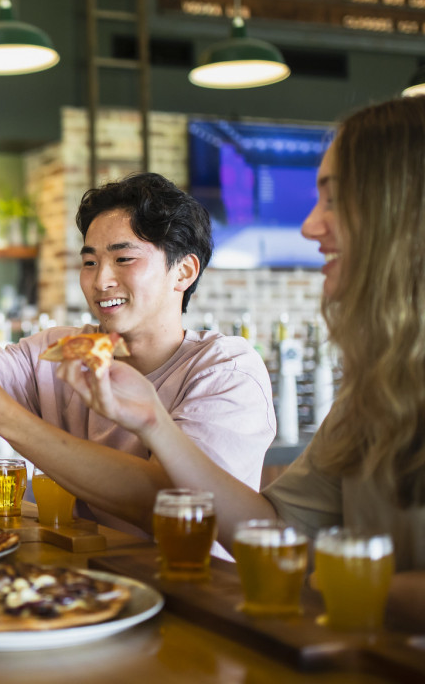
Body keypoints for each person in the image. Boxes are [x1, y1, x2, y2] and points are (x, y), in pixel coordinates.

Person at [65, 97, 425, 627]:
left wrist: (345, 584)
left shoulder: (227, 363)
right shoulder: (381, 383)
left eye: (335, 200)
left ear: (404, 209)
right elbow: (275, 529)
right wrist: (155, 425)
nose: (309, 227)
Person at [0, 173, 275, 537]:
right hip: (85, 580)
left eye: (123, 259)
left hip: (197, 595)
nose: (101, 280)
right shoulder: (59, 350)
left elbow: (163, 505)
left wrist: (2, 415)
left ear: (184, 271)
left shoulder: (224, 371)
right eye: (89, 262)